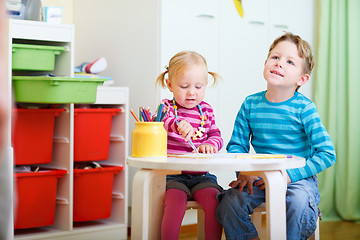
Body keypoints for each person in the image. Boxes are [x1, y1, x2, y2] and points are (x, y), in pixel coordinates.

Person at [216, 32, 336, 240]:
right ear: (265, 63)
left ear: (302, 78)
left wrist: (290, 176)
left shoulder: (304, 108)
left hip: (298, 180)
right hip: (260, 178)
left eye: (290, 61)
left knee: (299, 201)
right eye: (275, 57)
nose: (279, 63)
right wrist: (244, 171)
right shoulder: (250, 104)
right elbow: (236, 146)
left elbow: (327, 153)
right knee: (229, 202)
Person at [156, 51, 223, 240]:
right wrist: (176, 124)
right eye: (184, 86)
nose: (191, 92)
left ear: (206, 84)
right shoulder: (167, 107)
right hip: (172, 175)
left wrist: (211, 144)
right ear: (169, 84)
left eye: (198, 86)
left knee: (214, 201)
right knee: (175, 203)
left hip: (201, 175)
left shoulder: (206, 111)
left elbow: (216, 135)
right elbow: (162, 122)